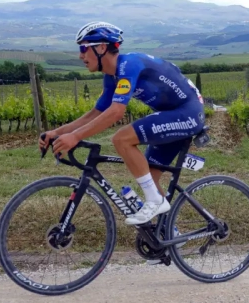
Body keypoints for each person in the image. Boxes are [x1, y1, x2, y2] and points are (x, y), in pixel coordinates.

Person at [40, 21, 206, 226]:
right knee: (150, 179)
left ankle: (156, 201)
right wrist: (57, 132)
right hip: (172, 114)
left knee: (122, 138)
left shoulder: (129, 65)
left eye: (84, 48)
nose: (80, 56)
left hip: (187, 113)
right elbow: (95, 114)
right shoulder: (112, 77)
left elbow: (116, 112)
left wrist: (75, 137)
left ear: (101, 47)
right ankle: (168, 236)